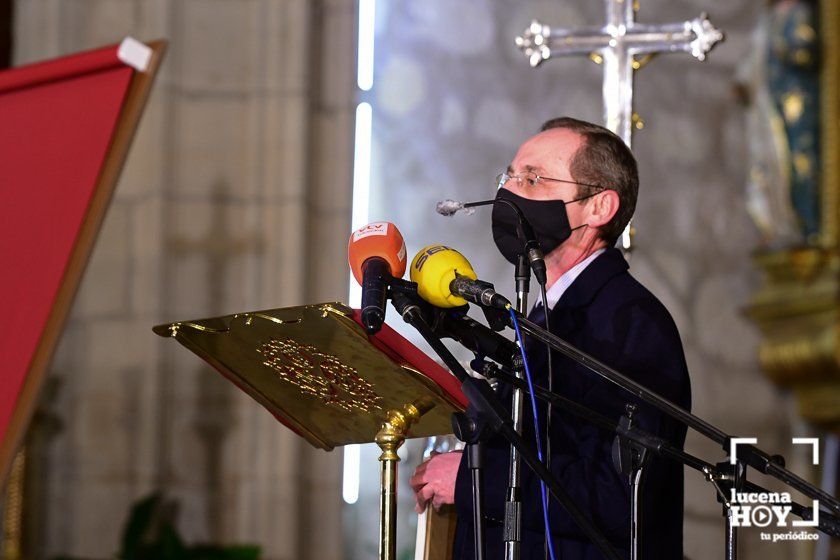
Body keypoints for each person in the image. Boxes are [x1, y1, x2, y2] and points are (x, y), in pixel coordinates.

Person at [410, 117, 692, 559]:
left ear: (599, 207)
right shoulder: (540, 315)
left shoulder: (632, 322)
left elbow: (621, 497)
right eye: (510, 176)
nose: (509, 193)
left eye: (534, 179)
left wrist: (471, 479)